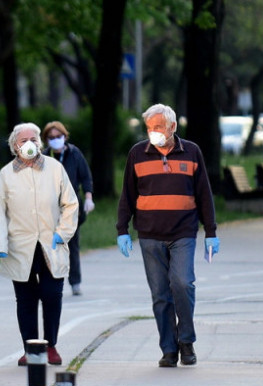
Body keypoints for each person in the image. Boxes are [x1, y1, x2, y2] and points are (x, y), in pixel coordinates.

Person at [116, 103, 220, 368]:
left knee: (183, 284)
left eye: (159, 127)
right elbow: (127, 194)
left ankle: (186, 340)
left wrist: (211, 231)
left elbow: (204, 194)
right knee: (161, 294)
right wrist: (122, 230)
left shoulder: (192, 151)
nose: (154, 132)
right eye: (150, 128)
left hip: (183, 231)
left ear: (173, 127)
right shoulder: (137, 153)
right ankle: (169, 349)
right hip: (150, 234)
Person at [0, 122, 79, 367]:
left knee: (52, 295)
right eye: (23, 140)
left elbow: (70, 203)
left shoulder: (54, 168)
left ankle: (50, 345)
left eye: (33, 138)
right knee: (26, 299)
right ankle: (30, 348)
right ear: (14, 146)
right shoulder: (6, 175)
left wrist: (63, 233)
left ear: (40, 142)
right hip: (20, 246)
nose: (29, 143)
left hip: (51, 243)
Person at [42, 121, 94, 296]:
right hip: (49, 208)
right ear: (46, 140)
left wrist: (88, 198)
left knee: (72, 245)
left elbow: (86, 177)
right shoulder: (43, 157)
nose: (56, 140)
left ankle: (75, 282)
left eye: (59, 137)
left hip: (71, 207)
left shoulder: (74, 153)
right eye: (52, 138)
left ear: (64, 136)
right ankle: (52, 281)